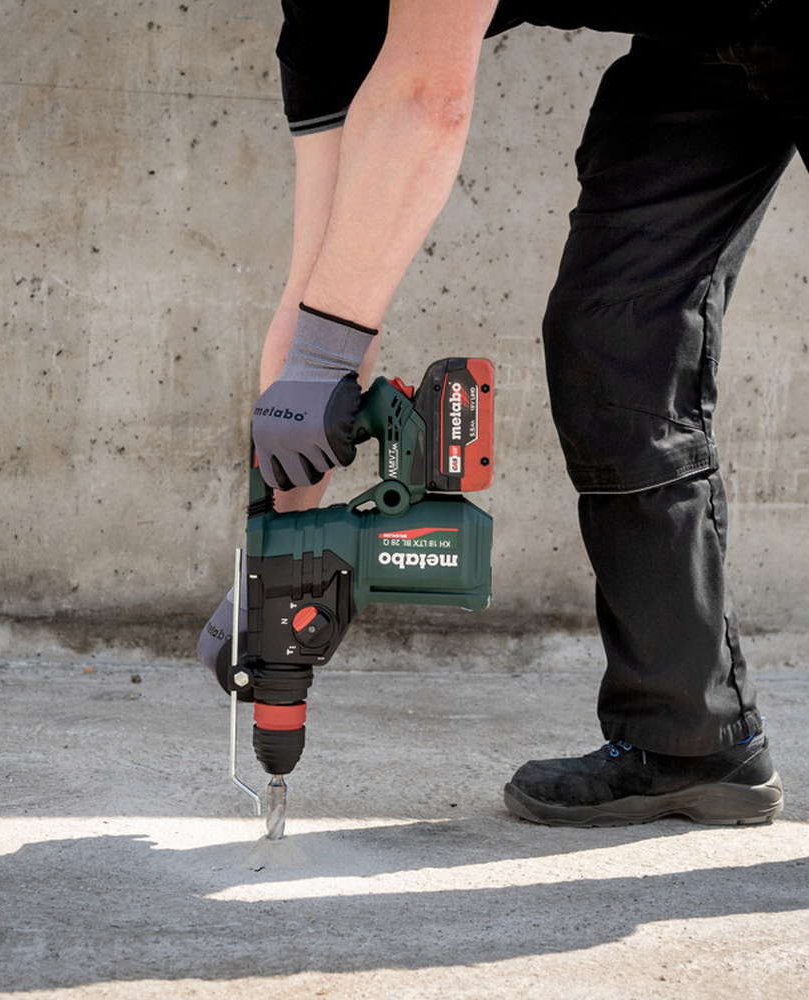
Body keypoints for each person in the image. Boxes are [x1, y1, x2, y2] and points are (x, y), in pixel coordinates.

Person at [200, 0, 802, 826]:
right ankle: (691, 737)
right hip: (697, 36)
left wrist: (322, 358)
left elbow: (430, 101)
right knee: (615, 342)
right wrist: (276, 559)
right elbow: (319, 301)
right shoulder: (320, 25)